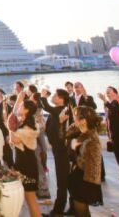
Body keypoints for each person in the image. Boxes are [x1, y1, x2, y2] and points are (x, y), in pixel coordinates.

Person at [40, 88, 71, 217]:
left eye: (54, 96)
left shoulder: (61, 109)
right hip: (59, 148)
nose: (52, 97)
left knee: (62, 180)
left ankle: (58, 211)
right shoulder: (59, 110)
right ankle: (73, 206)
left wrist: (43, 96)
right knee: (65, 179)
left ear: (61, 99)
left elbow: (45, 106)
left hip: (61, 150)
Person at [67, 106, 103, 217]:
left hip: (85, 180)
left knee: (81, 213)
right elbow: (67, 132)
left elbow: (89, 163)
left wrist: (74, 148)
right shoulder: (84, 132)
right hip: (80, 178)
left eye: (75, 117)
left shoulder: (91, 139)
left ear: (83, 121)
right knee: (83, 212)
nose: (73, 119)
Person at [10, 94, 41, 217]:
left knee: (31, 200)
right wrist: (18, 100)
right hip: (23, 164)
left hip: (27, 166)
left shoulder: (26, 129)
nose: (19, 107)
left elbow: (12, 139)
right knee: (28, 200)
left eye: (22, 106)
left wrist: (10, 126)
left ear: (27, 110)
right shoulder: (25, 124)